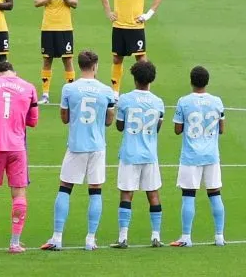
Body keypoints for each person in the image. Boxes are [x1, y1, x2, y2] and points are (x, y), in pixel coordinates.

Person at [42, 49, 116, 251]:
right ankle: (91, 239)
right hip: (97, 147)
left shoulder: (69, 89)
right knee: (95, 191)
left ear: (80, 65)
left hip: (76, 145)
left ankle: (57, 237)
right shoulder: (106, 90)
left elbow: (64, 118)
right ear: (95, 66)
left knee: (65, 187)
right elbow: (109, 121)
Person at [0, 55, 40, 253]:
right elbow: (33, 121)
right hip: (17, 147)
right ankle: (15, 243)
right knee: (18, 194)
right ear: (14, 72)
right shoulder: (29, 88)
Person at [112, 60, 166, 247]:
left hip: (129, 154)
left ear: (134, 78)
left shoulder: (125, 99)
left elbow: (119, 126)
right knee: (153, 193)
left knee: (127, 194)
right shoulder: (158, 102)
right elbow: (157, 127)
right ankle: (156, 236)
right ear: (151, 79)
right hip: (149, 155)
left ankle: (123, 237)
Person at [171, 66, 226, 247]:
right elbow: (222, 129)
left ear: (191, 81)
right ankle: (219, 236)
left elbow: (177, 129)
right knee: (215, 194)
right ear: (207, 81)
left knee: (188, 195)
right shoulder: (217, 101)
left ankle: (186, 237)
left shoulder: (184, 101)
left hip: (190, 156)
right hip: (211, 156)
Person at [99, 0, 159, 90]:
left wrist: (148, 14)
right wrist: (108, 12)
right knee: (117, 59)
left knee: (141, 61)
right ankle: (115, 93)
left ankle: (145, 90)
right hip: (119, 26)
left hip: (136, 27)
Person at [33, 0, 80, 100]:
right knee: (47, 60)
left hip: (65, 27)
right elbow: (36, 2)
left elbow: (75, 3)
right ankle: (45, 94)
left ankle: (70, 93)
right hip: (48, 27)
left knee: (67, 60)